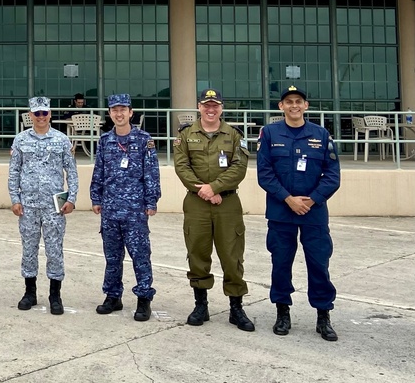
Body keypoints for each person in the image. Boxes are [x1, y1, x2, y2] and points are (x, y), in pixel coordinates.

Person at [257, 86, 341, 341]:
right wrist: (289, 199)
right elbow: (265, 173)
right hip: (282, 212)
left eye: (299, 101)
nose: (294, 105)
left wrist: (312, 200)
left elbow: (333, 175)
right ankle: (283, 312)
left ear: (306, 106)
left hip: (313, 213)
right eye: (288, 102)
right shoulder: (270, 133)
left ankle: (323, 315)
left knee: (318, 263)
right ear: (281, 107)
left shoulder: (321, 134)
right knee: (281, 263)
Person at [174, 88, 254, 331]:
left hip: (227, 203)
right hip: (197, 202)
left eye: (215, 105)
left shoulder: (234, 135)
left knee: (232, 256)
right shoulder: (186, 135)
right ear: (199, 106)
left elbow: (239, 167)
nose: (211, 109)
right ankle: (201, 305)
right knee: (197, 253)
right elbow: (181, 166)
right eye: (206, 105)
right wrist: (205, 191)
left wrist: (216, 188)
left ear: (221, 108)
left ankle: (236, 308)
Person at [90, 93, 161, 321]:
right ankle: (113, 296)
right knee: (112, 256)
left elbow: (151, 173)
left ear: (130, 112)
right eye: (114, 110)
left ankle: (143, 299)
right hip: (110, 208)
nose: (118, 114)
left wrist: (151, 200)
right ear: (109, 114)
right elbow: (99, 171)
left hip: (135, 210)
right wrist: (96, 197)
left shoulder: (144, 140)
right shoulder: (105, 141)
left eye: (123, 110)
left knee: (140, 255)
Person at [9, 96, 79, 315]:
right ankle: (30, 293)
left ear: (50, 114)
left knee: (54, 250)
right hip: (28, 205)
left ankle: (54, 295)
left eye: (44, 113)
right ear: (30, 115)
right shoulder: (20, 140)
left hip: (54, 205)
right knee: (29, 250)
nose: (40, 117)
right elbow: (14, 172)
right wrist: (15, 199)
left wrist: (72, 198)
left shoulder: (61, 139)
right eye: (36, 113)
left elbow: (72, 172)